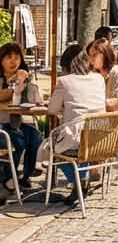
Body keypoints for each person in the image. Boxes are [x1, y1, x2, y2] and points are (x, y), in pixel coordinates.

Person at [38, 46, 108, 204]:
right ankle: (82, 180)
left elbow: (51, 109)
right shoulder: (99, 79)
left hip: (77, 139)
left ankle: (78, 180)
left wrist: (65, 106)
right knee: (76, 144)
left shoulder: (65, 81)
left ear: (67, 66)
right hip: (102, 137)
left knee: (49, 148)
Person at [0, 43, 41, 194]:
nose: (13, 61)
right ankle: (8, 178)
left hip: (18, 122)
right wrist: (15, 88)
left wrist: (27, 82)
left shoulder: (24, 77)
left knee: (35, 138)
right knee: (17, 140)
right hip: (2, 123)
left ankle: (25, 176)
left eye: (17, 57)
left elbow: (35, 100)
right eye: (9, 57)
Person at [87, 39, 118, 140]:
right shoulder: (94, 75)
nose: (90, 59)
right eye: (89, 56)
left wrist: (98, 104)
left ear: (105, 55)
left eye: (94, 55)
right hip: (101, 119)